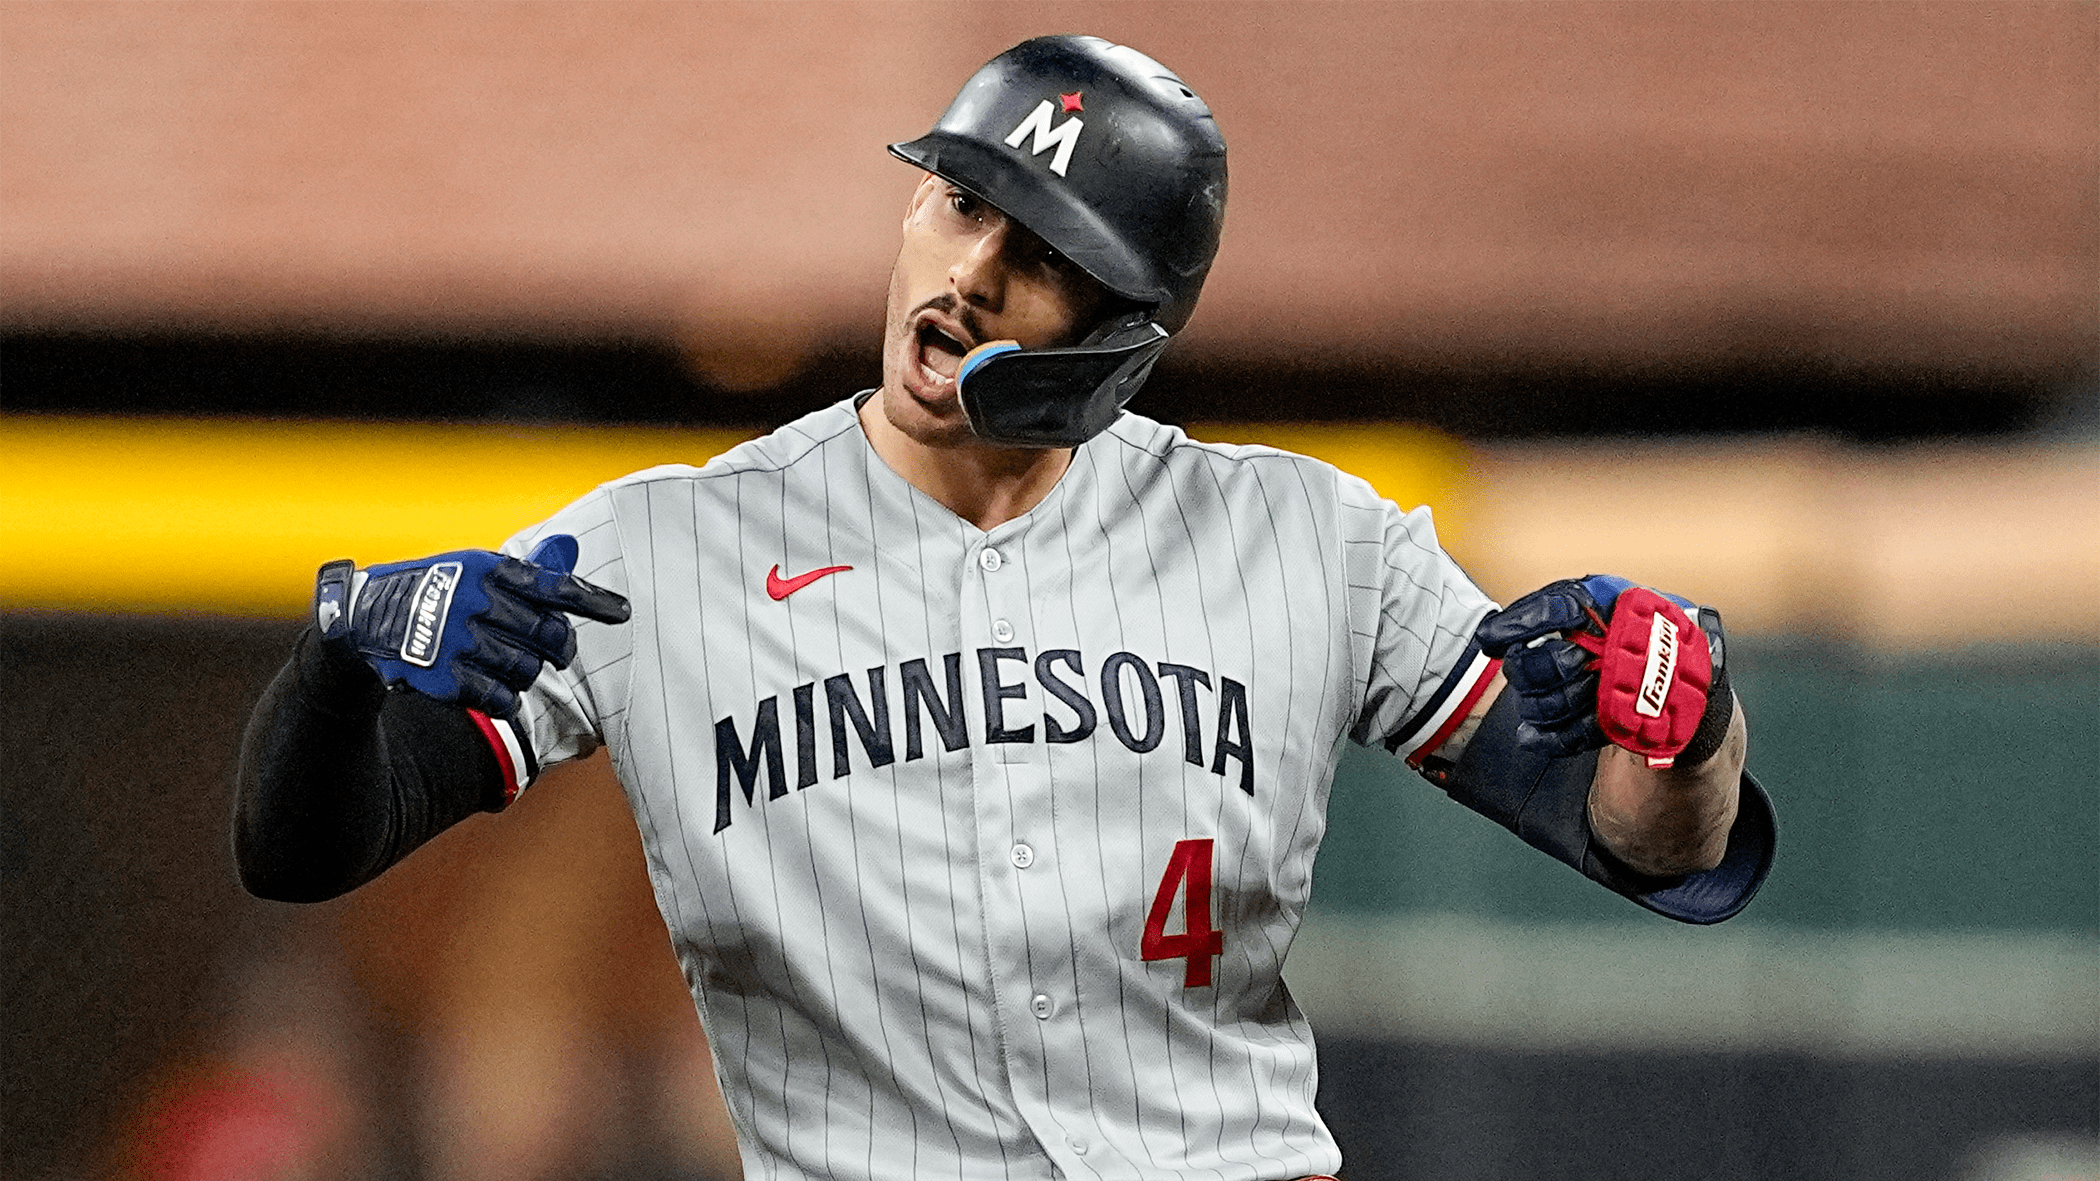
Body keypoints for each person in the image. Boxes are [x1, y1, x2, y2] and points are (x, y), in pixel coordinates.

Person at [236, 34, 1775, 1181]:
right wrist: (334, 660)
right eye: (957, 205)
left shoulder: (1308, 539)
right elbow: (304, 847)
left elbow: (1646, 844)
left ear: (1126, 330)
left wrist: (1690, 735)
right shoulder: (668, 546)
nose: (967, 272)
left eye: (1037, 257)